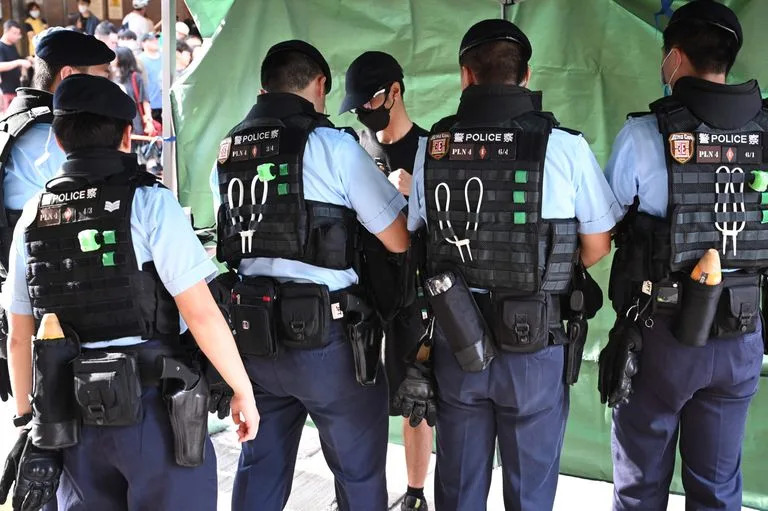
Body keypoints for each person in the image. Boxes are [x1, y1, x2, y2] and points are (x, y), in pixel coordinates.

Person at [0, 73, 259, 510]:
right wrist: (242, 389)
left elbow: (20, 335)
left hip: (71, 417)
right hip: (155, 411)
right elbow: (200, 312)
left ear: (60, 142)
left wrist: (29, 421)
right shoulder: (149, 202)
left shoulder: (32, 216)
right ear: (126, 135)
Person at [405, 19, 619, 510]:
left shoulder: (432, 147)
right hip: (534, 345)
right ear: (526, 76)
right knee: (530, 494)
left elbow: (419, 231)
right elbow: (598, 244)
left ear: (465, 76)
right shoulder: (564, 147)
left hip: (457, 342)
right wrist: (551, 270)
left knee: (458, 491)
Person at [210, 39, 409, 511]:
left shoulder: (230, 148)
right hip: (328, 346)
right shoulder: (332, 145)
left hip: (254, 338)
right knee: (358, 477)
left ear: (264, 89)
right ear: (320, 85)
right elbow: (399, 238)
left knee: (259, 471)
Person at [600, 1, 767, 509]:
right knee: (717, 492)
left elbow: (605, 229)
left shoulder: (643, 134)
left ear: (674, 58)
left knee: (639, 489)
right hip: (740, 334)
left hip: (660, 338)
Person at [0, 28, 120, 420]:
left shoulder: (11, 126)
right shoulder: (52, 138)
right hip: (63, 313)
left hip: (23, 302)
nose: (110, 84)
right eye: (103, 74)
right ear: (69, 75)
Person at [339, 50, 432, 511]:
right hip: (361, 289)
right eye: (357, 106)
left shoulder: (433, 149)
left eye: (372, 101)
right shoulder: (352, 148)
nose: (365, 113)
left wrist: (416, 190)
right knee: (358, 397)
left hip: (416, 294)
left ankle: (416, 493)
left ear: (395, 92)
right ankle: (356, 490)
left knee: (418, 399)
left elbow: (457, 225)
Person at [113, 46, 156, 138]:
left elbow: (145, 100)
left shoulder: (135, 77)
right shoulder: (112, 77)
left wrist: (148, 120)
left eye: (115, 57)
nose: (113, 59)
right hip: (117, 122)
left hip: (135, 122)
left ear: (122, 59)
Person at [0, 21, 32, 112]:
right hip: (6, 91)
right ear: (6, 31)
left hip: (15, 88)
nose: (18, 36)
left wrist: (26, 60)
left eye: (18, 33)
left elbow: (16, 60)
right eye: (15, 33)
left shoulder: (12, 46)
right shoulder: (1, 46)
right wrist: (19, 62)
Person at [138, 32, 162, 122]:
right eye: (151, 40)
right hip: (149, 104)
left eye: (156, 39)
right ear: (143, 43)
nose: (155, 41)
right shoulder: (139, 60)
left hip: (166, 103)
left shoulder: (165, 57)